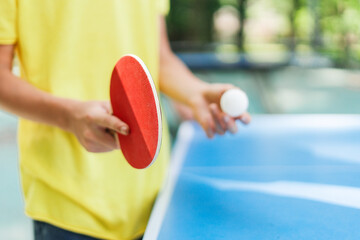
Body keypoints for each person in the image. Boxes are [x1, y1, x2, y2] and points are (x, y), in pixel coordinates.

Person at [0, 0, 251, 239]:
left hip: (151, 197)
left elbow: (158, 58)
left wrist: (195, 93)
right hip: (68, 201)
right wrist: (69, 116)